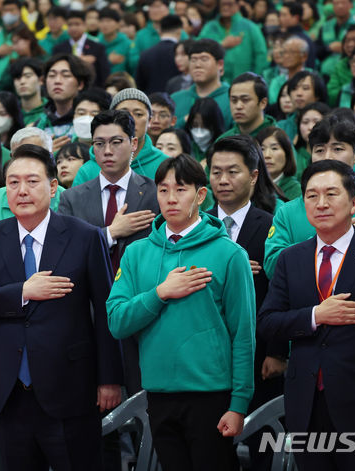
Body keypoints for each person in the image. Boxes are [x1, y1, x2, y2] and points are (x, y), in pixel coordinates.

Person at [0, 143, 123, 470]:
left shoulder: (84, 236)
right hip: (10, 390)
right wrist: (22, 291)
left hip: (71, 386)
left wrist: (110, 378)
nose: (22, 190)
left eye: (32, 181)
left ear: (52, 187)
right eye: (13, 182)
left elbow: (107, 310)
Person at [106, 154, 255, 471]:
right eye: (163, 190)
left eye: (181, 189)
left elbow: (243, 334)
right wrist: (159, 293)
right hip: (158, 394)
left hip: (212, 396)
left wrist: (239, 403)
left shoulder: (230, 254)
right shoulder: (136, 253)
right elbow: (117, 321)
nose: (171, 198)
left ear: (201, 195)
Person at [258, 159, 355, 470]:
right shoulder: (290, 259)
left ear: (353, 202)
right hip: (305, 402)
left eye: (331, 194)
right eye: (311, 196)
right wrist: (316, 315)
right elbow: (268, 323)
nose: (321, 203)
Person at [59, 109, 159, 395]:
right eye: (99, 143)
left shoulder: (155, 193)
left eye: (116, 142)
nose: (107, 151)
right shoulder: (72, 198)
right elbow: (65, 257)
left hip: (141, 310)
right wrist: (110, 234)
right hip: (88, 314)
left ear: (135, 143)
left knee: (144, 406)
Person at [264, 117, 355, 278]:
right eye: (319, 150)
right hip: (305, 303)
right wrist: (322, 241)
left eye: (338, 149)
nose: (328, 157)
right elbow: (271, 267)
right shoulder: (288, 212)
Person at [206, 135, 285, 410]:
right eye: (216, 172)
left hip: (258, 350)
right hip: (208, 352)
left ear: (253, 176)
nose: (223, 180)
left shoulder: (271, 227)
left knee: (260, 438)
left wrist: (277, 352)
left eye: (232, 172)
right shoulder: (198, 226)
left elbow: (281, 291)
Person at [73, 88, 167, 186]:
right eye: (123, 114)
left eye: (138, 114)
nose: (131, 120)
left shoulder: (164, 165)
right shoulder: (87, 171)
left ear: (150, 120)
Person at [197, 0, 268, 83]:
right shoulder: (210, 27)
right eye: (223, 4)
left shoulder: (250, 27)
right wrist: (221, 44)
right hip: (214, 83)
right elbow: (198, 48)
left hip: (245, 83)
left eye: (229, 4)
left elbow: (261, 55)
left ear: (238, 5)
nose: (225, 7)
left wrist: (254, 79)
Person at [170, 39, 232, 129]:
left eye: (204, 59)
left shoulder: (232, 98)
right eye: (193, 60)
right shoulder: (175, 99)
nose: (197, 65)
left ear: (220, 64)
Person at [53, 10, 110, 87]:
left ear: (85, 25)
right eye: (70, 25)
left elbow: (104, 73)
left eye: (77, 24)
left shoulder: (97, 47)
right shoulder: (59, 49)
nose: (73, 28)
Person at [219, 73, 277, 141]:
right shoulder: (224, 140)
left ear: (263, 103)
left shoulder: (277, 139)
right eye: (234, 100)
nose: (238, 106)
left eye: (245, 100)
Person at [135, 15, 182, 95]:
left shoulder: (146, 54)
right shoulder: (181, 55)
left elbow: (139, 84)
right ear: (179, 31)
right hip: (175, 100)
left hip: (151, 101)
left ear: (160, 31)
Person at [258, 126, 302, 200]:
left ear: (287, 154)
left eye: (274, 148)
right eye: (262, 149)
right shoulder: (251, 187)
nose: (267, 155)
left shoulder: (296, 190)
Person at [10, 57, 47, 126]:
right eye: (18, 78)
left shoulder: (51, 110)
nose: (22, 82)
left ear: (41, 80)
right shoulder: (9, 112)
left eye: (28, 76)